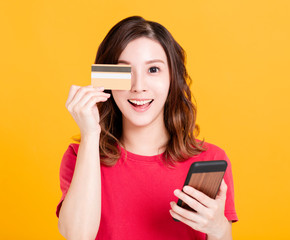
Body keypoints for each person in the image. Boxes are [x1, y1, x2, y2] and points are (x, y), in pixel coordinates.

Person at [56, 16, 238, 240]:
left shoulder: (210, 160)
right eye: (125, 71)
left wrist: (218, 228)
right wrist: (91, 135)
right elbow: (77, 236)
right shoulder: (80, 156)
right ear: (107, 80)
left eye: (153, 70)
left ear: (172, 78)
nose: (139, 87)